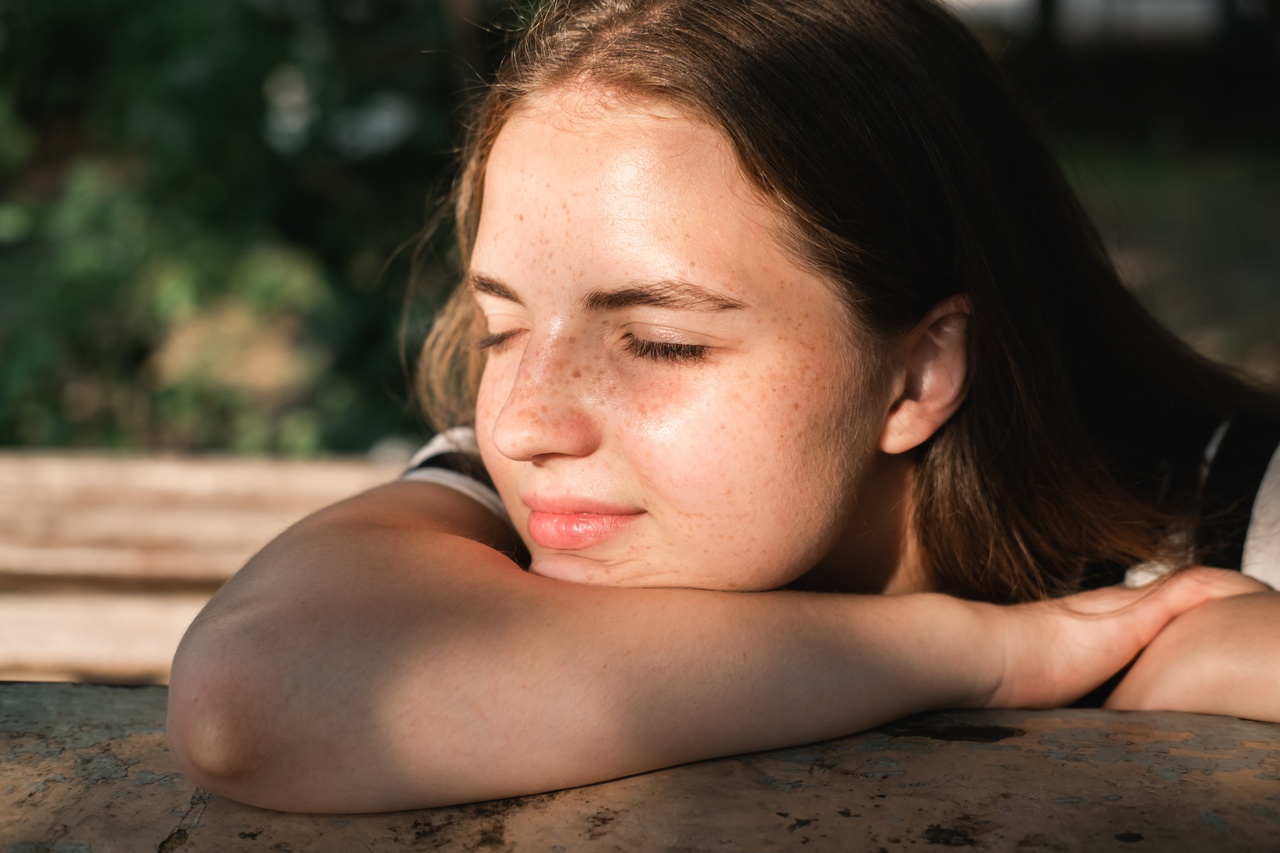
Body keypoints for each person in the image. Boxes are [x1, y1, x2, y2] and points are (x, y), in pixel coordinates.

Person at [167, 0, 1280, 813]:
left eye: (658, 340)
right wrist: (976, 654)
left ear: (916, 372)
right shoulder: (528, 499)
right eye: (502, 327)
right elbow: (253, 699)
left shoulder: (1242, 509)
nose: (521, 422)